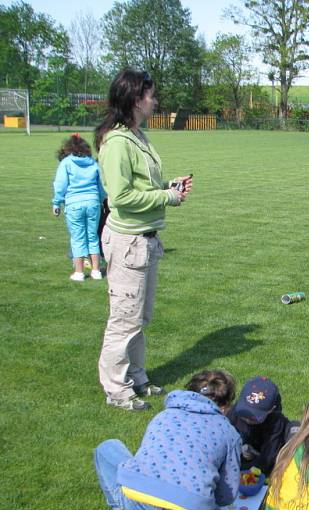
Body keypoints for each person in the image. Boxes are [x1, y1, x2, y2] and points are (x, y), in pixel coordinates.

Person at [94, 68, 193, 411]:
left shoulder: (137, 136)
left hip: (145, 240)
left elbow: (142, 186)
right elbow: (120, 198)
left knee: (139, 317)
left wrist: (168, 185)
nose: (155, 100)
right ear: (136, 99)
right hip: (128, 242)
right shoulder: (117, 142)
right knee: (124, 318)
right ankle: (117, 390)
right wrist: (168, 198)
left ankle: (137, 377)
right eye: (151, 95)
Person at [93, 370, 241, 510]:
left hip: (135, 501)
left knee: (107, 448)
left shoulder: (162, 416)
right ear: (226, 405)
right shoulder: (229, 433)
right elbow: (226, 495)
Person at [51, 133, 106, 282]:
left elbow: (60, 185)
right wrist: (101, 200)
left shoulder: (66, 163)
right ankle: (96, 271)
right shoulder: (93, 163)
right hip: (93, 203)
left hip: (74, 204)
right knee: (93, 236)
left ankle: (79, 272)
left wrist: (56, 203)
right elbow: (101, 186)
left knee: (78, 238)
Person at [227, 376, 300, 475]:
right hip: (249, 445)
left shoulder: (275, 422)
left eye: (253, 418)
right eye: (244, 415)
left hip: (270, 448)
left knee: (295, 433)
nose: (248, 419)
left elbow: (267, 461)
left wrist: (242, 470)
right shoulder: (235, 412)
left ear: (271, 410)